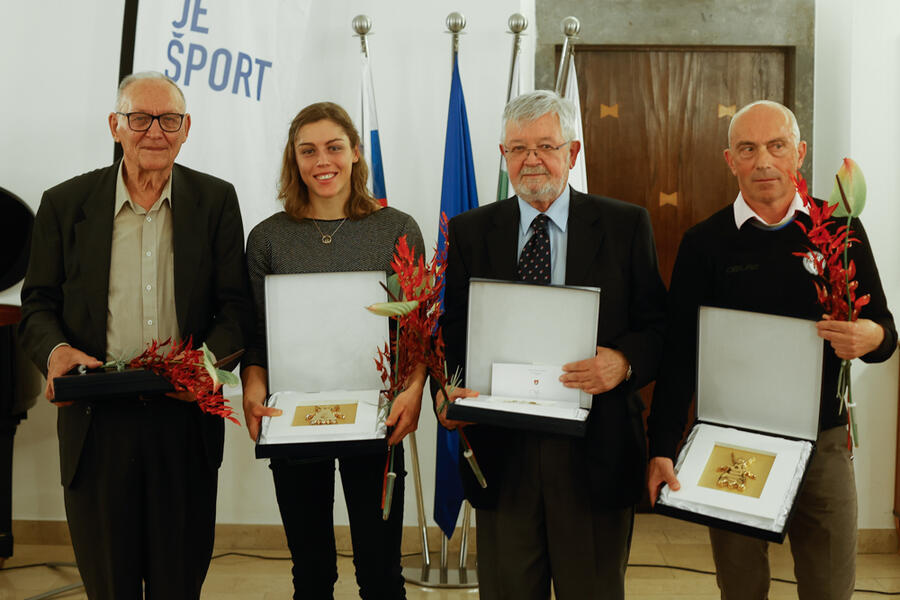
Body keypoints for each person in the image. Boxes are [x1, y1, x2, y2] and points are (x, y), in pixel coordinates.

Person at [646, 100, 897, 600]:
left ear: (798, 153)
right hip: (735, 444)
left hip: (824, 441)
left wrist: (871, 338)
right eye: (748, 148)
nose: (763, 161)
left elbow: (884, 333)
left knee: (829, 587)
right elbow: (679, 357)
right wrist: (661, 448)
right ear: (730, 159)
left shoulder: (840, 230)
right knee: (741, 589)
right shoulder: (705, 244)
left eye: (776, 146)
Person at [18, 71, 252, 599]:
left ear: (186, 127)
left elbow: (235, 308)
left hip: (184, 421)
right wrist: (55, 353)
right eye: (140, 118)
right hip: (97, 425)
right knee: (110, 586)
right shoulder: (64, 204)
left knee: (178, 584)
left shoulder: (215, 201)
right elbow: (38, 306)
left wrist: (206, 364)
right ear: (115, 126)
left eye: (168, 119)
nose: (154, 131)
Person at [434, 90, 667, 600]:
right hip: (502, 451)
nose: (531, 159)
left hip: (595, 453)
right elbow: (454, 330)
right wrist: (448, 389)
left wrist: (623, 363)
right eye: (517, 148)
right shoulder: (472, 232)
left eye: (545, 145)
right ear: (503, 156)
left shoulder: (626, 225)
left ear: (573, 153)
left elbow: (659, 329)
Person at [241, 102, 425, 599]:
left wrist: (414, 392)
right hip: (295, 419)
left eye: (334, 147)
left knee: (382, 574)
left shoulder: (397, 229)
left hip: (377, 419)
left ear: (356, 153)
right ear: (294, 160)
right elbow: (257, 337)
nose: (322, 161)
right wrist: (252, 389)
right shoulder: (267, 240)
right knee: (313, 575)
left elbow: (416, 332)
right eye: (308, 150)